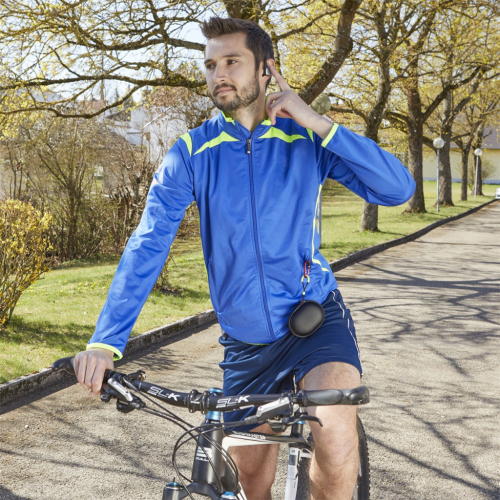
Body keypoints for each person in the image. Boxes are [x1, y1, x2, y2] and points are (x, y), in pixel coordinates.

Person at [74, 16, 415, 500]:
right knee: (249, 482)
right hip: (247, 342)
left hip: (313, 321)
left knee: (335, 436)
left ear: (266, 69)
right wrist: (106, 342)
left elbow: (398, 189)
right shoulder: (191, 153)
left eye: (232, 61)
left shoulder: (306, 139)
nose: (219, 74)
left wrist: (316, 121)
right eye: (211, 65)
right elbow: (149, 242)